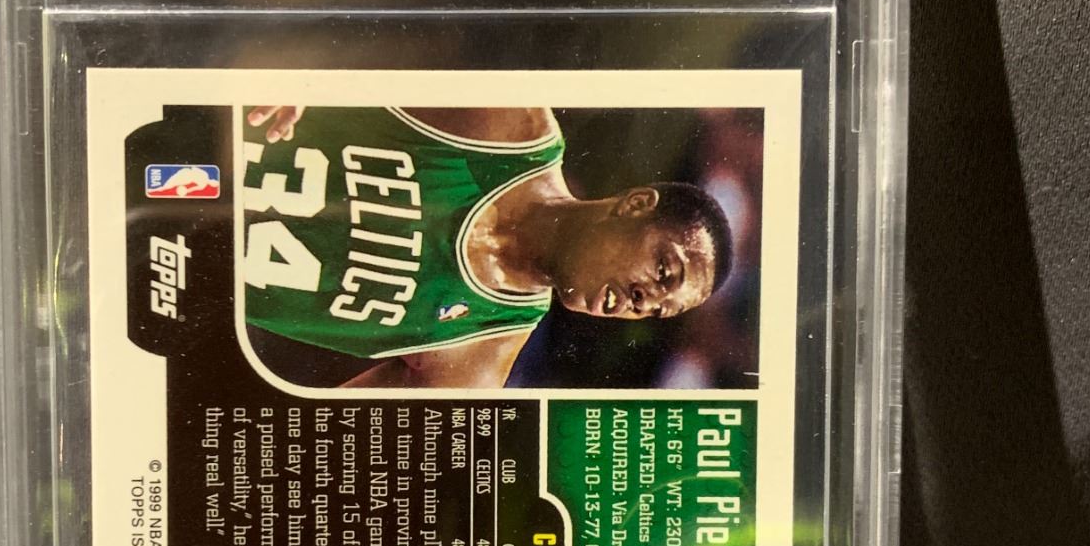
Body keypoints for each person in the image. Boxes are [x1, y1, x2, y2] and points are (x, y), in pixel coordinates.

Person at [241, 102, 733, 390]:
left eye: (658, 310)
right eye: (663, 271)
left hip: (200, 271)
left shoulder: (482, 355)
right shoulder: (509, 126)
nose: (644, 301)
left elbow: (322, 438)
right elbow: (358, 39)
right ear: (635, 204)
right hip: (216, 138)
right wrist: (301, 73)